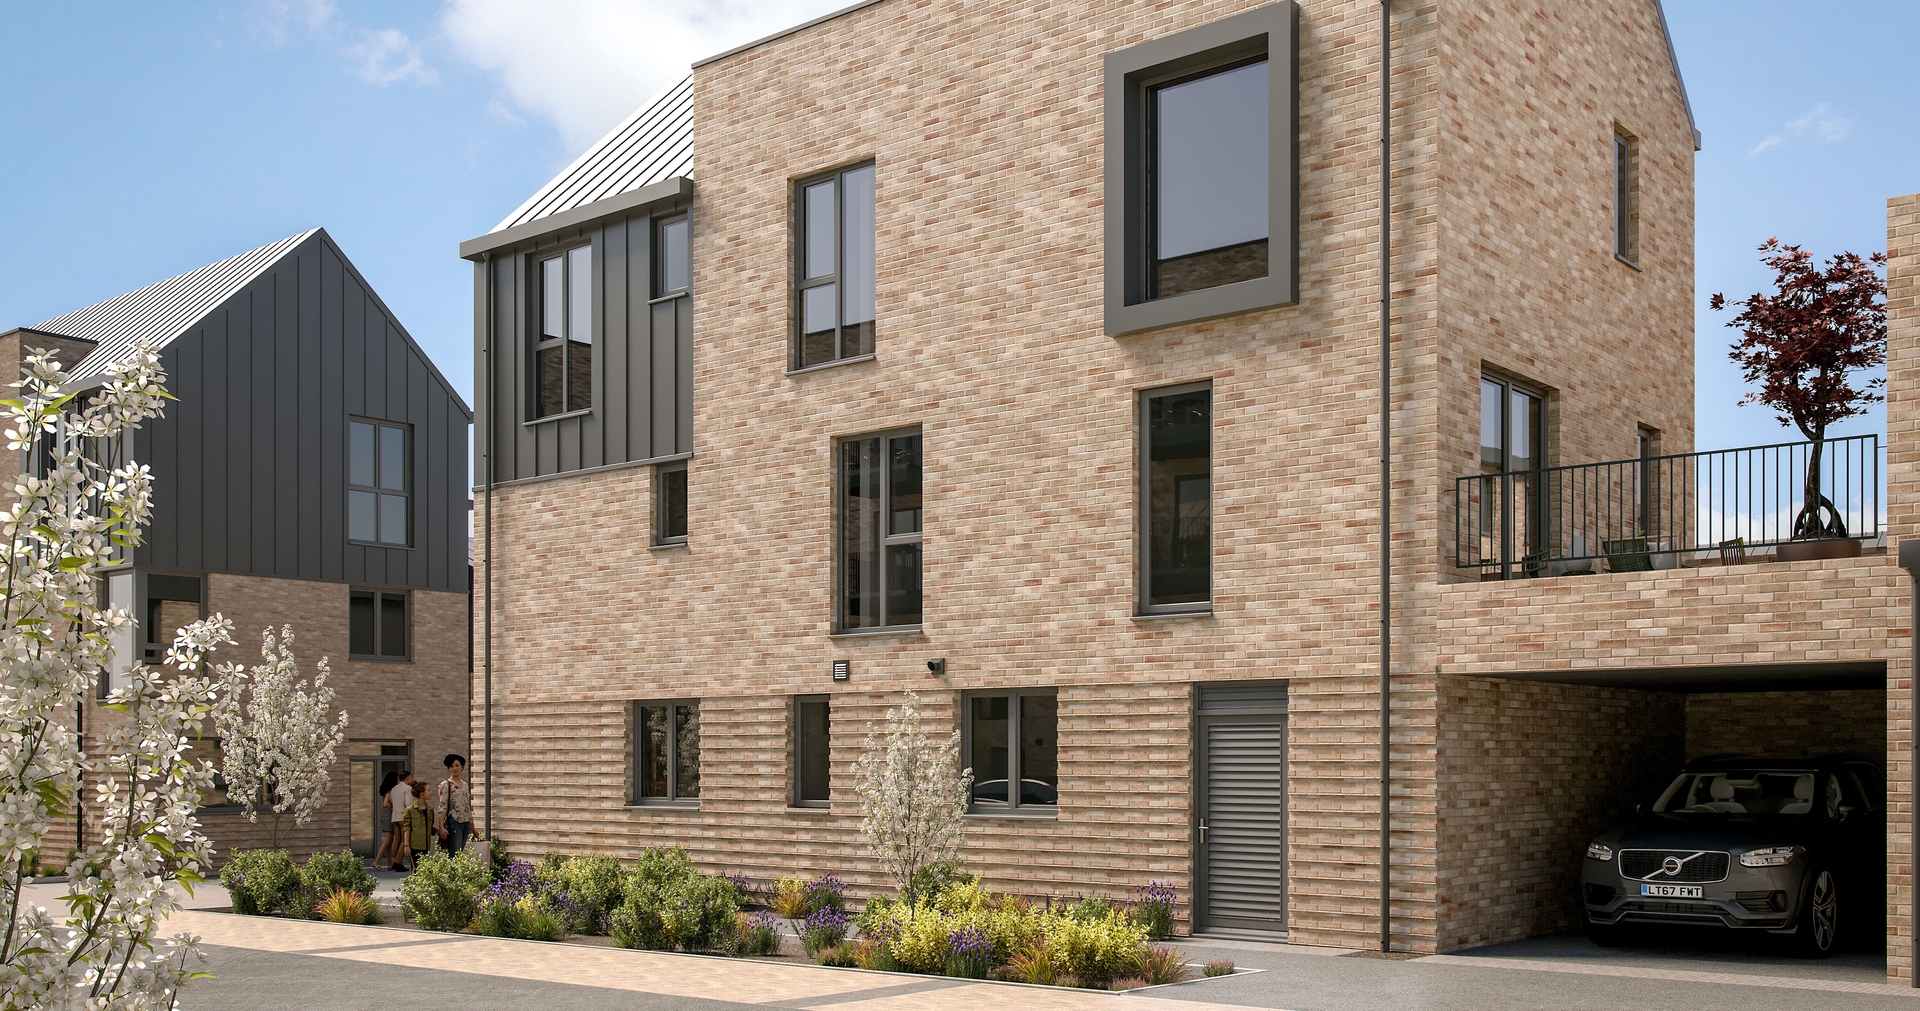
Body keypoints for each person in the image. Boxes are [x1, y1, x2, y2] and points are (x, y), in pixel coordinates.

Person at [435, 754, 477, 854]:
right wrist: (441, 827)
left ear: (462, 767)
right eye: (451, 766)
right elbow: (443, 807)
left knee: (461, 853)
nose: (455, 768)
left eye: (457, 765)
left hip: (466, 822)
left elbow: (467, 807)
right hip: (454, 822)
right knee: (454, 853)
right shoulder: (445, 785)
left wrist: (473, 827)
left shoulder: (465, 785)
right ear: (448, 769)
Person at [374, 769, 411, 872]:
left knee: (392, 841)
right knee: (389, 841)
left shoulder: (391, 789)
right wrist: (395, 806)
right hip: (390, 815)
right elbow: (385, 804)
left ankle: (391, 863)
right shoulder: (391, 789)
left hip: (392, 816)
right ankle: (378, 861)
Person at [400, 784, 435, 868]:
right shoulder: (410, 810)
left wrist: (439, 832)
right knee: (415, 870)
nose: (431, 792)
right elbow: (407, 828)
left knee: (423, 870)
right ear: (422, 794)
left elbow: (429, 827)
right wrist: (406, 845)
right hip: (414, 846)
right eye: (429, 790)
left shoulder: (430, 810)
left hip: (426, 845)